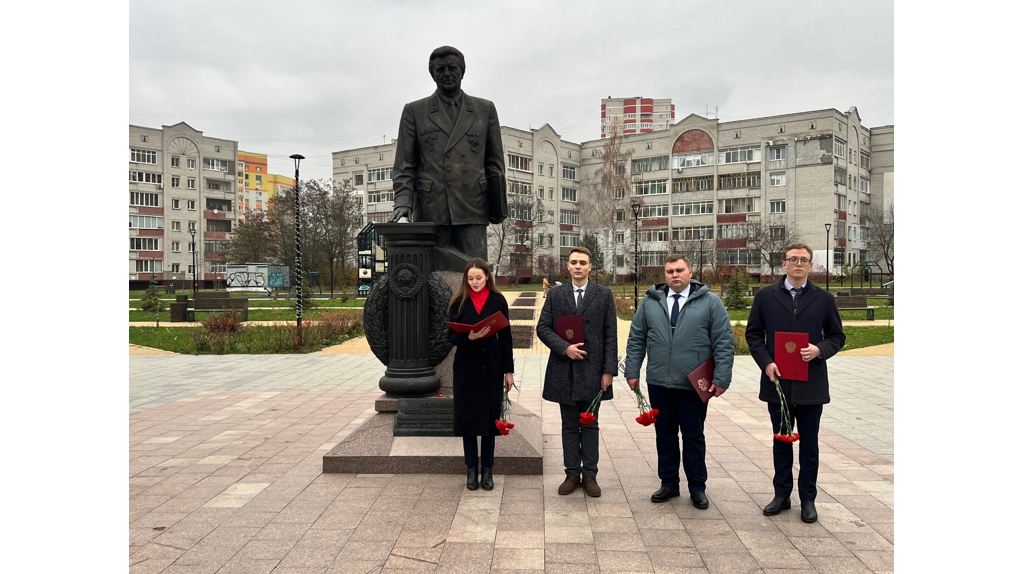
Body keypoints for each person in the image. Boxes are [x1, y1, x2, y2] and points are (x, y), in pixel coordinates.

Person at [745, 243, 845, 523]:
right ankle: (781, 495)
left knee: (809, 444)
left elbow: (837, 336)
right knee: (781, 442)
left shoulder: (824, 299)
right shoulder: (765, 296)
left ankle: (808, 500)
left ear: (811, 265)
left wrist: (819, 350)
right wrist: (766, 362)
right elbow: (753, 335)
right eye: (793, 259)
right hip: (777, 383)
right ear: (784, 264)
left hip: (811, 384)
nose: (798, 264)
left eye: (804, 260)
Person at [624, 254, 734, 509]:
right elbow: (636, 337)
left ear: (690, 272)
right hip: (659, 380)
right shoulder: (651, 302)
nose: (674, 275)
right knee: (665, 435)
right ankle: (669, 483)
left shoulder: (710, 302)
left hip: (694, 384)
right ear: (664, 274)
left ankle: (697, 487)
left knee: (693, 435)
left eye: (679, 270)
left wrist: (722, 378)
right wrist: (633, 371)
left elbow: (724, 342)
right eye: (670, 271)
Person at [390, 46, 507, 272]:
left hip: (472, 204)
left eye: (452, 68)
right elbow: (405, 165)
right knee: (431, 273)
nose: (446, 74)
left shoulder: (485, 109)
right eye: (440, 69)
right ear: (432, 74)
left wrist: (497, 206)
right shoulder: (415, 111)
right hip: (431, 206)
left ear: (462, 71)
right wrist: (403, 201)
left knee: (476, 274)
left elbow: (494, 163)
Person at [536, 247, 618, 497]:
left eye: (583, 262)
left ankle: (590, 474)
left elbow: (610, 336)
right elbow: (543, 328)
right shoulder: (556, 294)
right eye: (574, 262)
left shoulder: (604, 295)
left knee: (590, 424)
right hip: (565, 370)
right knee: (569, 425)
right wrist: (564, 348)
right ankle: (572, 473)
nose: (578, 266)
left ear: (591, 266)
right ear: (568, 266)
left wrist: (609, 371)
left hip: (593, 371)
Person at [447, 258, 515, 492]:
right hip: (467, 366)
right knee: (468, 420)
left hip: (492, 365)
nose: (475, 282)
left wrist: (509, 371)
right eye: (470, 278)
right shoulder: (458, 301)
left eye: (479, 277)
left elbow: (506, 338)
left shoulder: (498, 300)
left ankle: (487, 469)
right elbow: (450, 336)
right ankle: (470, 469)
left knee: (489, 420)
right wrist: (469, 338)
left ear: (487, 276)